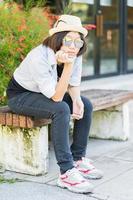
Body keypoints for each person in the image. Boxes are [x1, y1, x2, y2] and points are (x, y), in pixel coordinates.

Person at [6, 15, 103, 194]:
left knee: (86, 105)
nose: (73, 46)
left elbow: (73, 84)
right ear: (58, 38)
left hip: (45, 93)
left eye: (78, 41)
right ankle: (66, 172)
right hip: (20, 96)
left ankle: (78, 159)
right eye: (68, 40)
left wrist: (77, 99)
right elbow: (57, 98)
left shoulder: (75, 52)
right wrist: (67, 66)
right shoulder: (39, 56)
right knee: (61, 109)